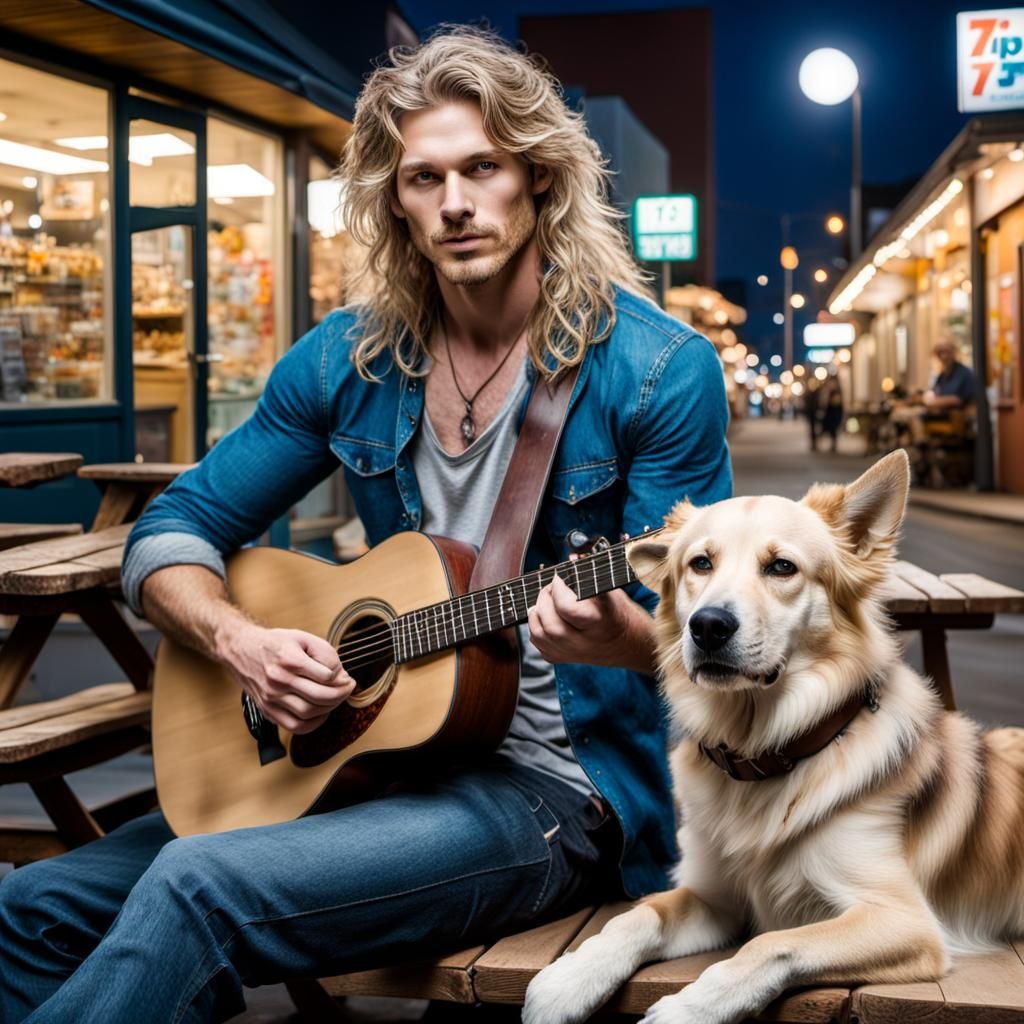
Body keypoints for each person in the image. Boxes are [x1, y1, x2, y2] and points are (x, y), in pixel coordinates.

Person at [0, 27, 731, 1024]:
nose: (457, 202)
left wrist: (631, 636)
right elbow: (174, 526)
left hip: (558, 794)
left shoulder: (655, 370)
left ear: (540, 180)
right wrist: (240, 639)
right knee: (30, 904)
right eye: (425, 178)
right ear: (395, 199)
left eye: (483, 167)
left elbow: (708, 631)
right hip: (375, 762)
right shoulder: (346, 360)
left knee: (195, 886)